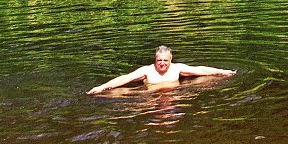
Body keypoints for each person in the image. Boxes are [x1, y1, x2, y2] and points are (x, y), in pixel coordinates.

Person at [87, 45, 235, 93]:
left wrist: (221, 72)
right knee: (118, 94)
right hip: (150, 99)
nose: (162, 63)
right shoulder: (147, 70)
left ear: (171, 59)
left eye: (165, 60)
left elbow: (201, 70)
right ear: (155, 60)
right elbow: (125, 78)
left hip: (173, 97)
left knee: (205, 83)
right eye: (159, 60)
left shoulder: (177, 69)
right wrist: (102, 87)